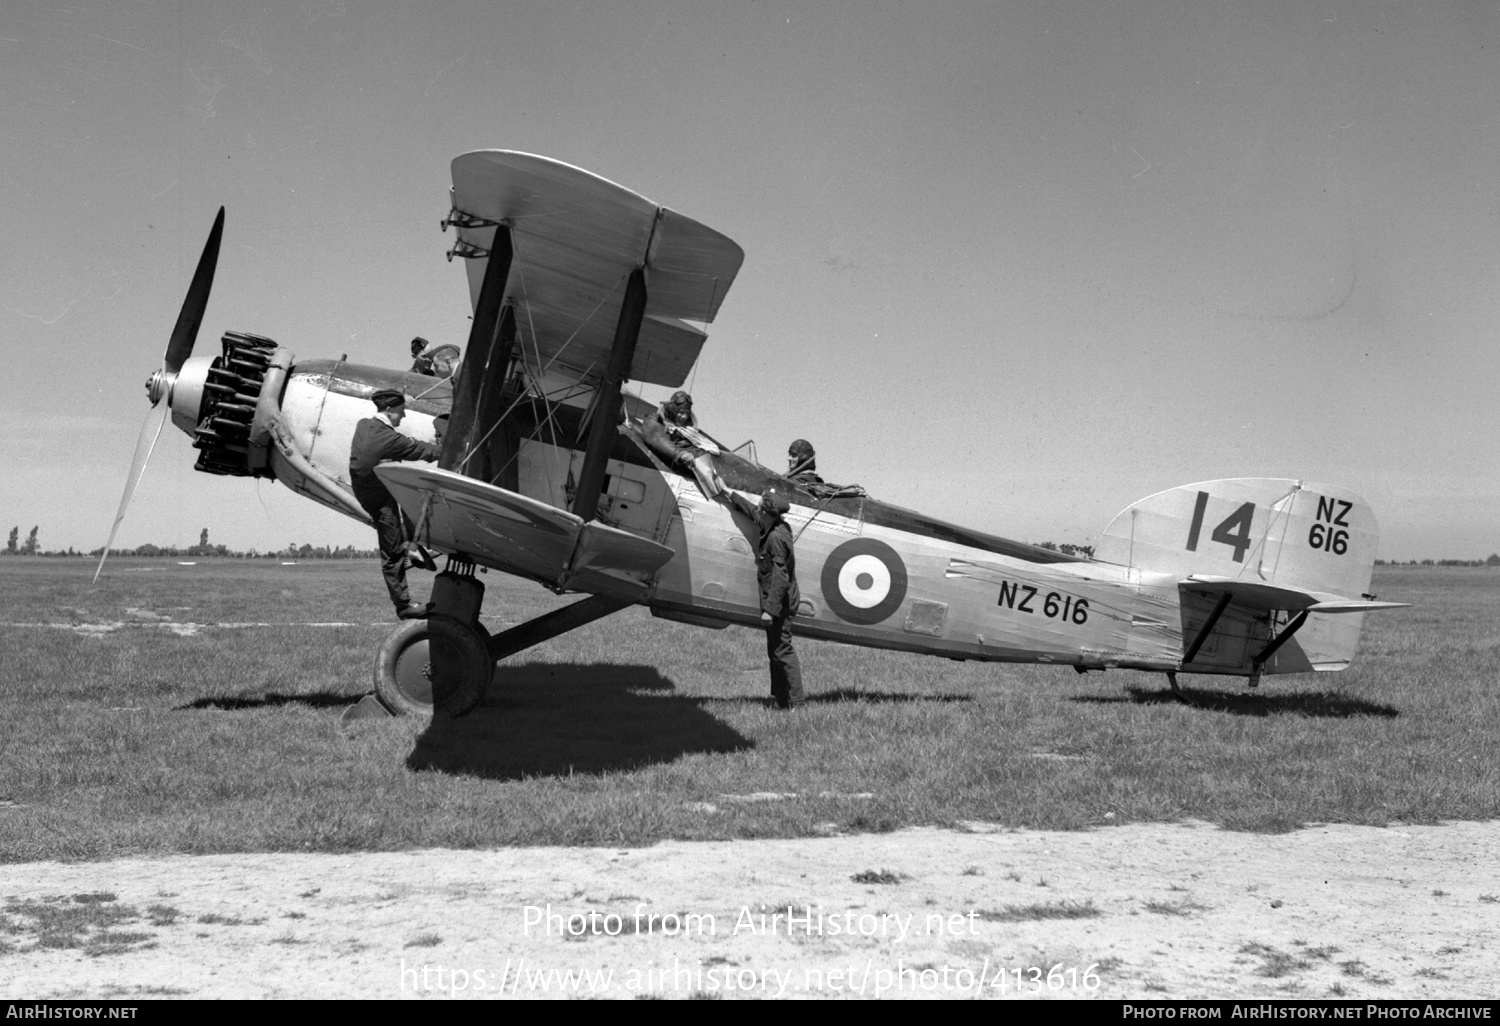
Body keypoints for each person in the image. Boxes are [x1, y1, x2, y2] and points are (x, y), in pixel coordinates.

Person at [350, 389, 441, 619]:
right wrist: (447, 448)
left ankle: (412, 545)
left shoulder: (364, 425)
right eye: (401, 412)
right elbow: (421, 450)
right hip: (379, 497)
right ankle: (404, 606)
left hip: (371, 491)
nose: (404, 417)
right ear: (389, 410)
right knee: (391, 550)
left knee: (408, 495)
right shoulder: (388, 438)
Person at [724, 485, 805, 709]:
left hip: (780, 602)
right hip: (777, 600)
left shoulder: (776, 538)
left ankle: (797, 703)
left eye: (761, 505)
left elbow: (781, 576)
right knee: (775, 651)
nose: (757, 507)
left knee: (783, 651)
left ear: (767, 512)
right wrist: (729, 494)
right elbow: (752, 512)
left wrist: (770, 609)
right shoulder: (773, 525)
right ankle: (781, 700)